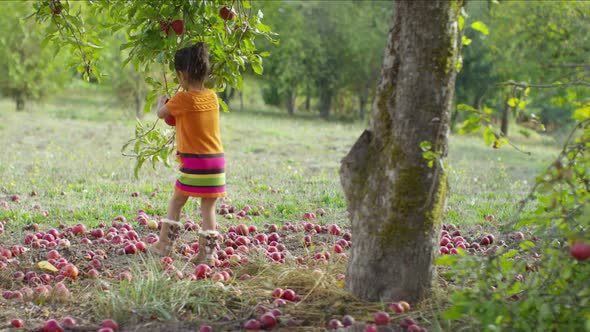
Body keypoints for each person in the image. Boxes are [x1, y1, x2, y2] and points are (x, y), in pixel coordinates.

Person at [151, 42, 225, 266]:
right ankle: (208, 254)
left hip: (195, 163)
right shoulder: (212, 97)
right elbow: (189, 121)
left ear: (181, 75)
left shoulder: (182, 99)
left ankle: (164, 244)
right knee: (208, 207)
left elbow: (161, 113)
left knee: (177, 201)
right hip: (216, 163)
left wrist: (162, 102)